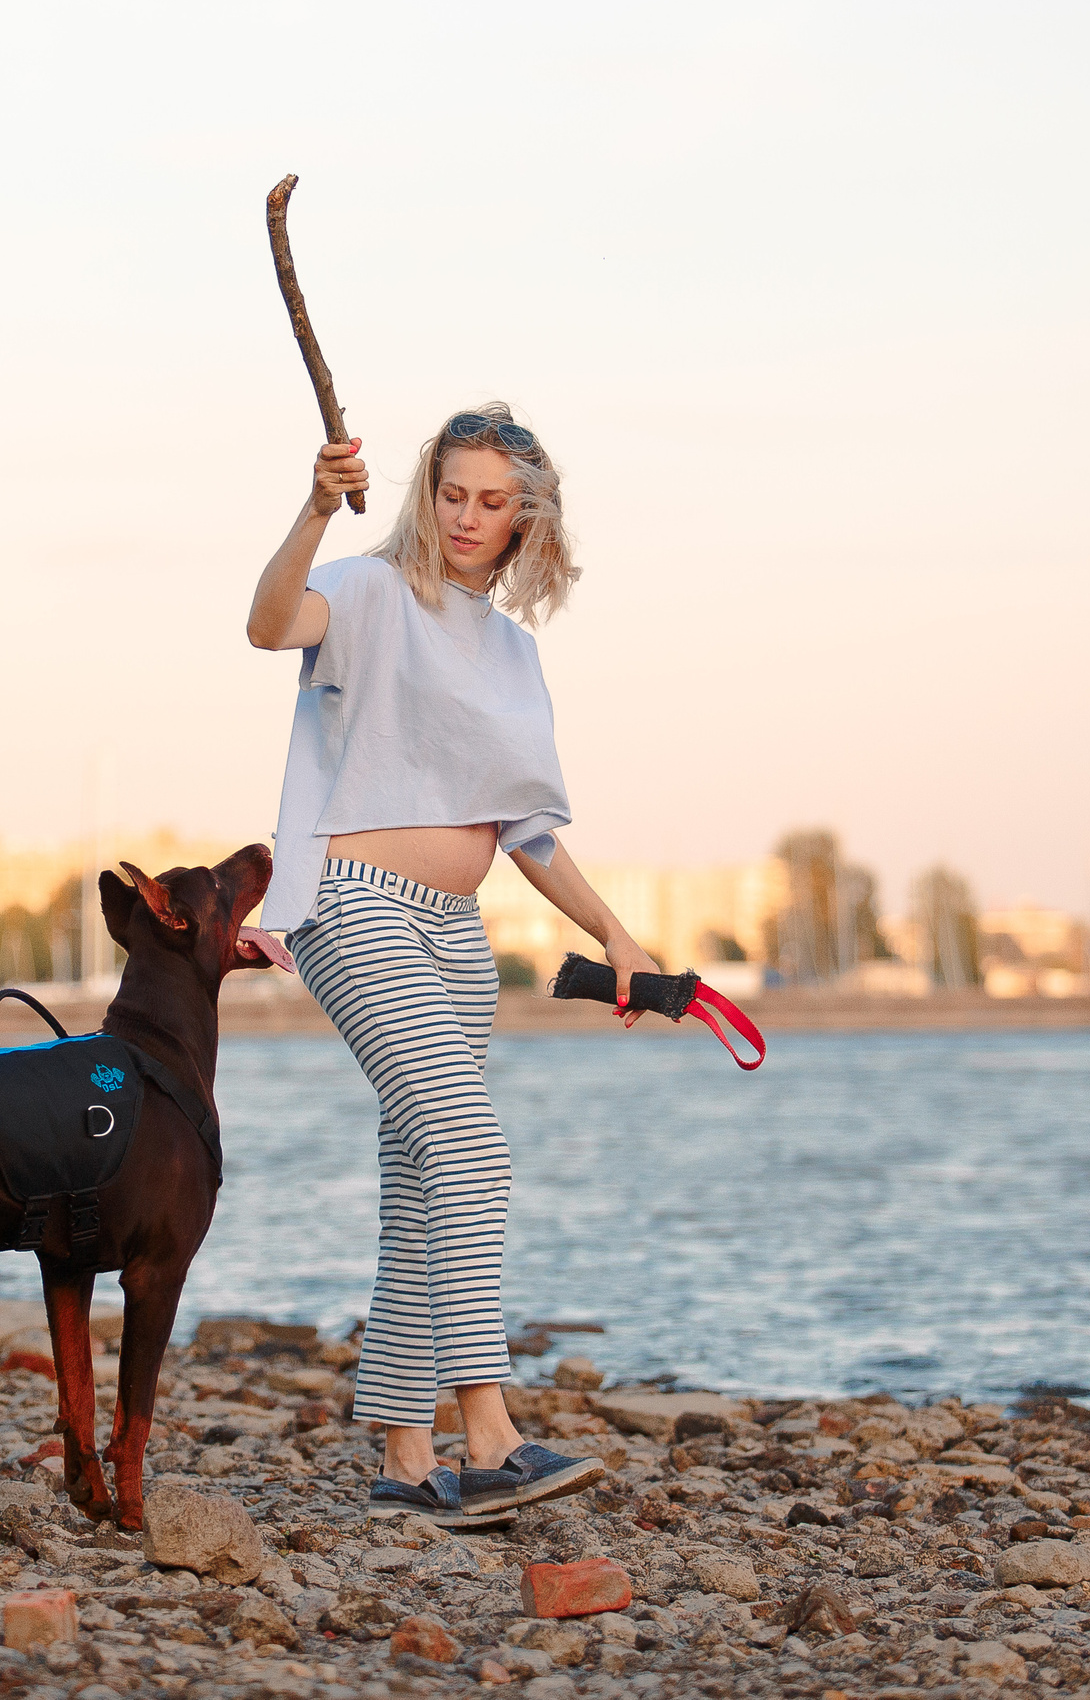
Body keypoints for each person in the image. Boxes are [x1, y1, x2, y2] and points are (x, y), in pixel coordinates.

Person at [242, 403, 662, 1526]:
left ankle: (401, 1458)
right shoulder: (373, 595)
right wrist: (316, 504)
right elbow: (268, 623)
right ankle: (489, 1432)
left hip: (453, 937)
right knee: (471, 1147)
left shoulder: (516, 654)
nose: (468, 517)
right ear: (427, 492)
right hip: (354, 905)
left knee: (424, 1184)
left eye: (494, 501)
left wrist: (613, 936)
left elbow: (524, 831)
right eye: (453, 492)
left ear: (528, 520)